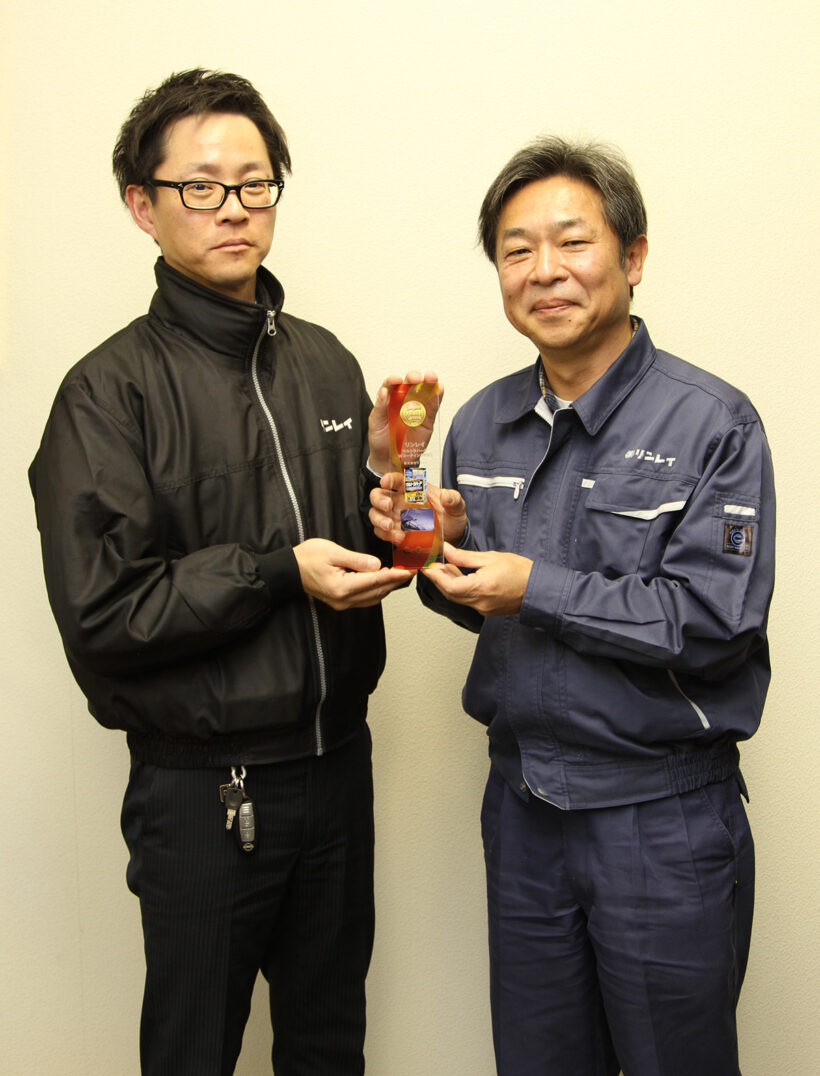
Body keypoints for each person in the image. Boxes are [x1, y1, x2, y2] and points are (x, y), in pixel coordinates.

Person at [29, 68, 416, 1076]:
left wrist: (393, 501)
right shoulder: (106, 393)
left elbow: (351, 556)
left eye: (254, 183)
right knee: (193, 1051)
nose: (234, 207)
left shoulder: (327, 363)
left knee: (329, 1046)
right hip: (207, 791)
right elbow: (106, 614)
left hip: (338, 768)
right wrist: (279, 572)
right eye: (201, 186)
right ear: (141, 204)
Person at [370, 137, 775, 1075]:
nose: (543, 271)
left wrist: (533, 587)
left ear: (633, 257)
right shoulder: (480, 421)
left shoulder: (714, 423)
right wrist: (434, 543)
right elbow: (478, 605)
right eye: (516, 251)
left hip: (661, 817)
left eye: (572, 242)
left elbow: (714, 625)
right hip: (523, 812)